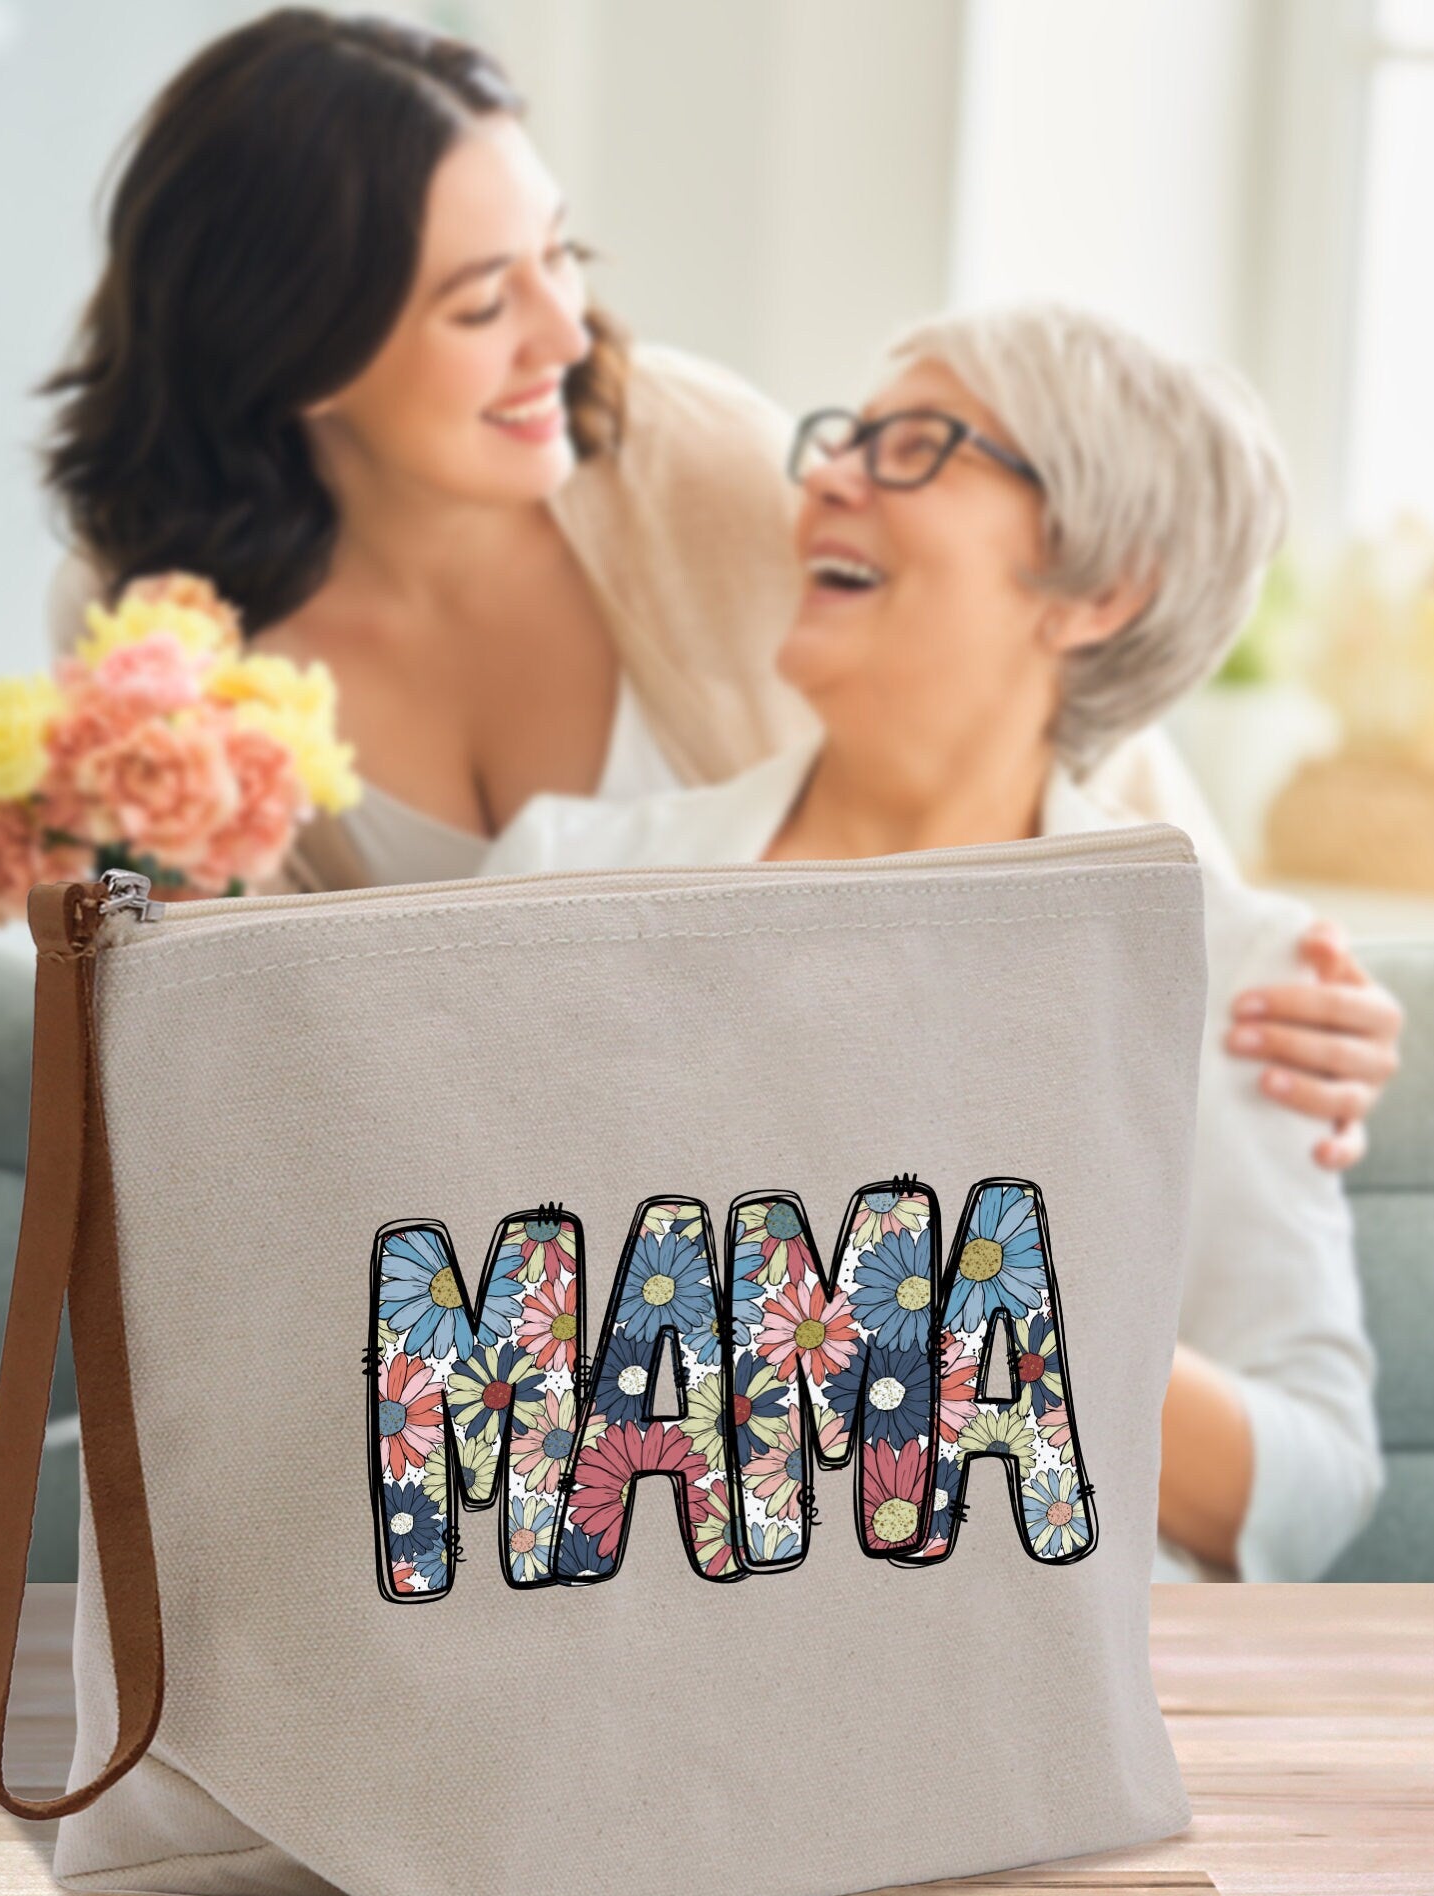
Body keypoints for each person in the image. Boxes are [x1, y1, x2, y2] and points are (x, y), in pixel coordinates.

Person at [39, 7, 1400, 1172]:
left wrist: (1241, 985)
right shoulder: (156, 635)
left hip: (858, 1171)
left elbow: (1024, 682)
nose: (564, 335)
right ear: (302, 358)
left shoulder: (691, 459)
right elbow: (245, 1064)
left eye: (559, 256)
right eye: (479, 305)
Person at [481, 304, 1387, 1584]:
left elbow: (1309, 1481)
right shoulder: (559, 879)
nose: (830, 478)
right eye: (841, 439)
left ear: (1097, 588)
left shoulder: (1231, 965)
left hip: (1016, 1700)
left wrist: (978, 1309)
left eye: (916, 447)